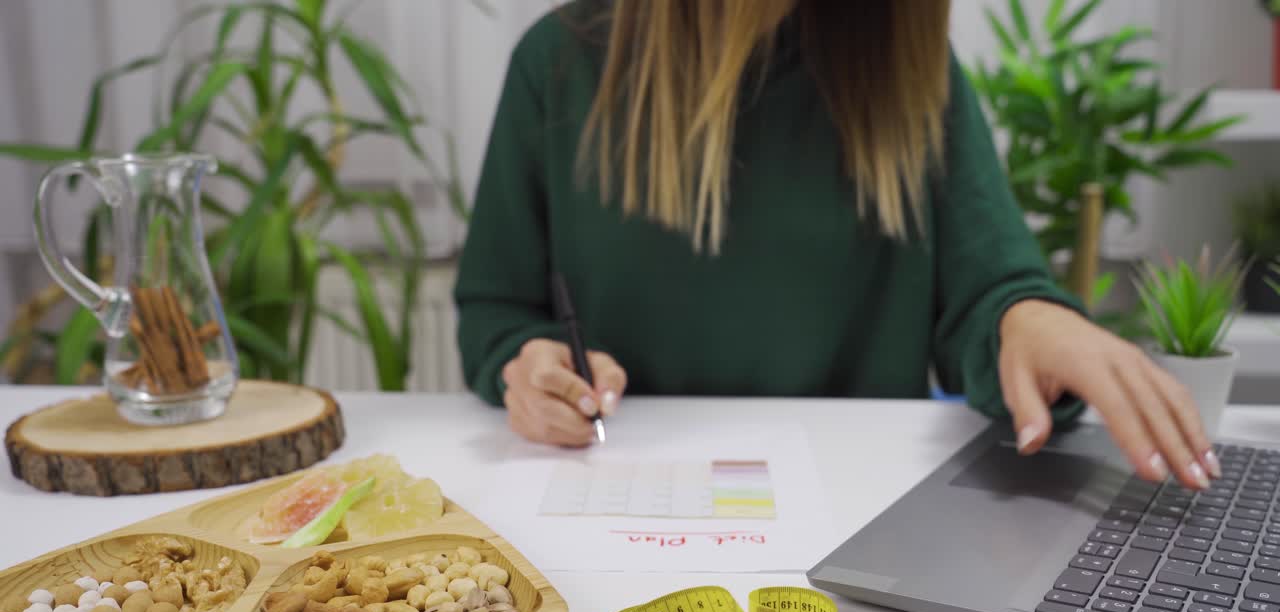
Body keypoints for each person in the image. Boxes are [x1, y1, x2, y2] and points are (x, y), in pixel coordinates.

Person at [453, 0, 1218, 490]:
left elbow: (988, 298)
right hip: (604, 496)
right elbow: (496, 310)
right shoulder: (555, 64)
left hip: (861, 519)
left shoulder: (915, 76)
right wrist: (526, 361)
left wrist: (1029, 318)